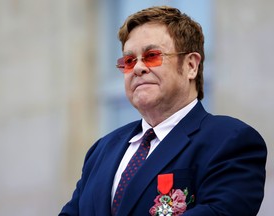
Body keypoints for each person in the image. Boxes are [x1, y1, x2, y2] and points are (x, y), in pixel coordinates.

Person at [59, 6, 267, 216]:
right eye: (129, 61)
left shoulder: (229, 140)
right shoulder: (102, 150)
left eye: (151, 56)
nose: (138, 68)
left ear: (191, 66)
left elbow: (220, 212)